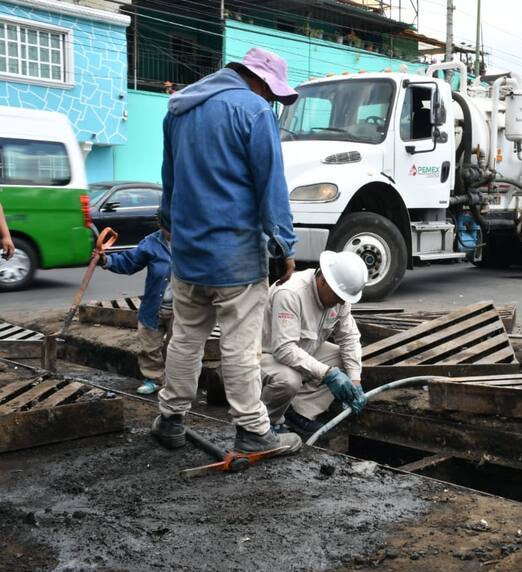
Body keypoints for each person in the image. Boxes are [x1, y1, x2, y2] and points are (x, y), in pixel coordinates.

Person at [155, 47, 302, 457]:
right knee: (240, 345)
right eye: (272, 91)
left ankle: (170, 420)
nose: (272, 99)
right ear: (256, 79)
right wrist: (283, 244)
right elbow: (270, 184)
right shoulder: (254, 111)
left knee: (185, 339)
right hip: (235, 255)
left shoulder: (179, 110)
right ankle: (254, 430)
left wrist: (168, 225)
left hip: (187, 253)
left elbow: (169, 176)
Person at [261, 251, 369, 437]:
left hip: (299, 351)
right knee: (289, 379)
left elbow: (349, 337)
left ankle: (296, 413)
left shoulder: (339, 297)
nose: (342, 301)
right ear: (324, 280)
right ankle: (264, 424)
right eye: (339, 295)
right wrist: (327, 374)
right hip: (264, 355)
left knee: (344, 360)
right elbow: (284, 349)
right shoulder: (291, 293)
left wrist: (355, 381)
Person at [96, 215, 172, 394]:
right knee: (149, 347)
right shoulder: (152, 243)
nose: (171, 232)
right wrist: (106, 261)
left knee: (178, 349)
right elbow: (129, 261)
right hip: (154, 307)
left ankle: (177, 384)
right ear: (161, 225)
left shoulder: (192, 241)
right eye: (167, 228)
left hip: (183, 309)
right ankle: (154, 379)